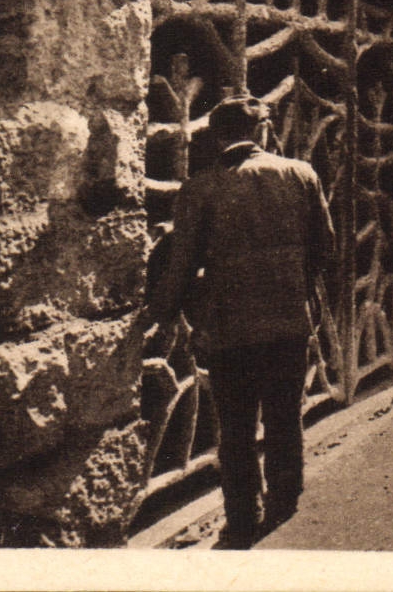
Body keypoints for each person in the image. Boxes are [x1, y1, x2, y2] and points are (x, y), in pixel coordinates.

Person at [144, 94, 336, 549]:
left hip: (230, 330)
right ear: (263, 133)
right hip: (290, 321)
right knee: (285, 417)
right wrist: (295, 283)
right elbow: (325, 247)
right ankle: (285, 502)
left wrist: (161, 315)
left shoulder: (200, 188)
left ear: (217, 137)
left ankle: (242, 519)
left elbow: (182, 265)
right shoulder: (301, 174)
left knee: (235, 427)